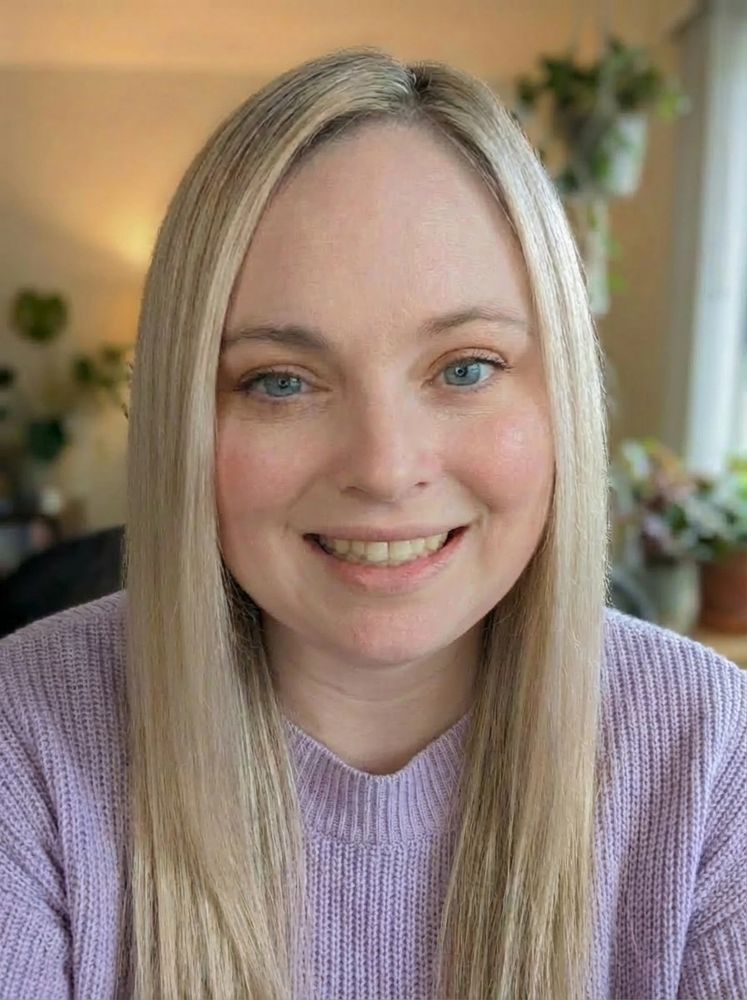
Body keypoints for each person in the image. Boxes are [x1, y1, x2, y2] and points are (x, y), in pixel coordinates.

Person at [0, 47, 744, 1000]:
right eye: (280, 381)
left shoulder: (708, 754)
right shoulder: (27, 738)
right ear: (182, 417)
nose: (386, 470)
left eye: (466, 368)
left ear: (559, 395)